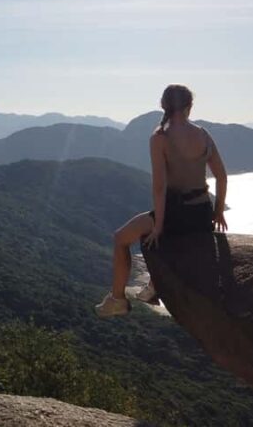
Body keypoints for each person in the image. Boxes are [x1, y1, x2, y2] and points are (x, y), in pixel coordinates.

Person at [95, 84, 228, 317]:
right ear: (189, 107)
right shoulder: (203, 134)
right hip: (202, 213)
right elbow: (221, 176)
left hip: (176, 213)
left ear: (163, 105)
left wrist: (158, 226)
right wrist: (218, 211)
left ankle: (117, 299)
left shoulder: (160, 137)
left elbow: (159, 186)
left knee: (120, 238)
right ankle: (153, 285)